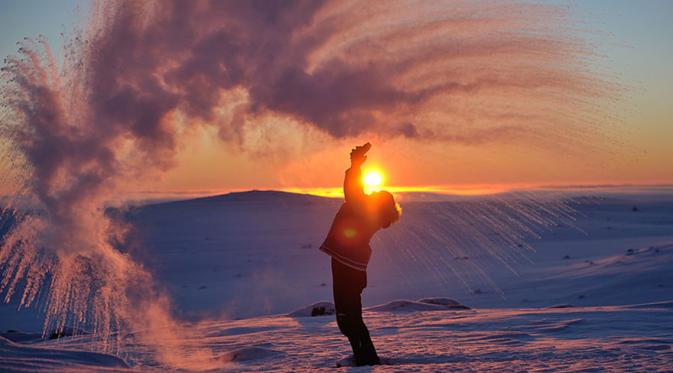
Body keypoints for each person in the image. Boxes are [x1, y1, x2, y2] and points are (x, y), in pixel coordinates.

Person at [319, 143, 401, 366]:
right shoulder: (368, 212)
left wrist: (355, 166)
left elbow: (353, 192)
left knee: (349, 319)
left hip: (348, 268)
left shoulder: (363, 211)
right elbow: (357, 193)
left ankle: (367, 360)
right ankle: (364, 357)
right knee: (350, 318)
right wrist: (355, 166)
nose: (370, 192)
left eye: (374, 193)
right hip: (351, 268)